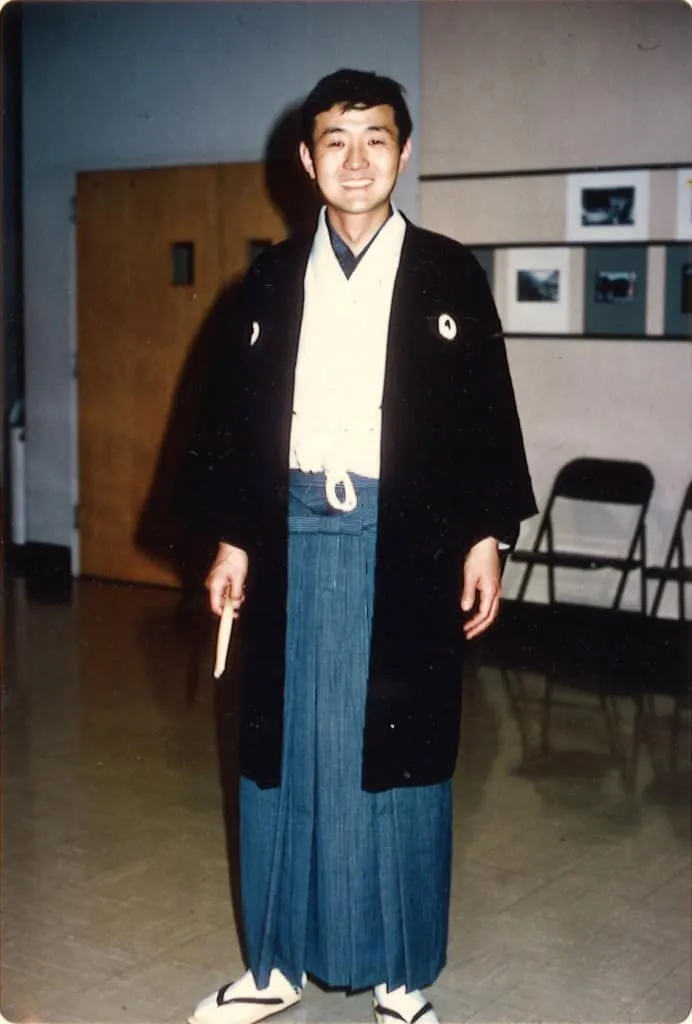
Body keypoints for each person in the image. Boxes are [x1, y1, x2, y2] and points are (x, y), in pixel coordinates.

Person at [185, 69, 536, 1024]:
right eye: (334, 141)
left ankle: (400, 974)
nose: (355, 159)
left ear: (404, 152)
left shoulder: (449, 273)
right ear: (305, 160)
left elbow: (484, 421)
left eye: (375, 138)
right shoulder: (265, 281)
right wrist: (232, 541)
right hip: (290, 535)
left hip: (409, 543)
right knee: (284, 753)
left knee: (399, 757)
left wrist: (486, 537)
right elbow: (235, 425)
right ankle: (273, 967)